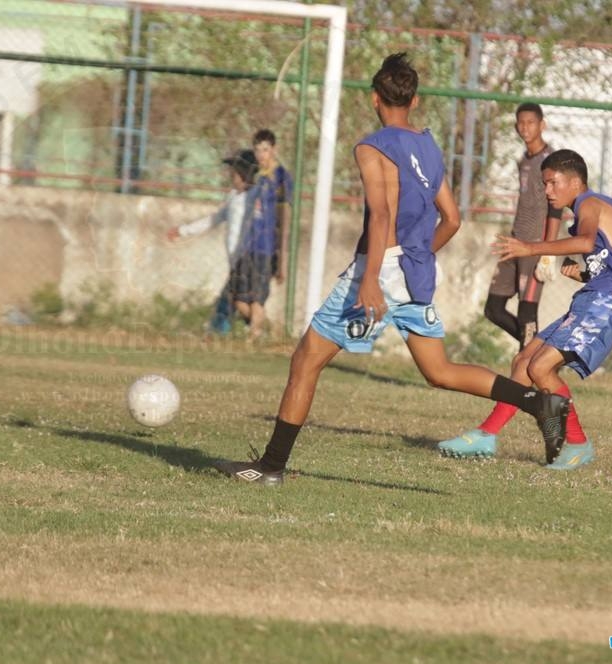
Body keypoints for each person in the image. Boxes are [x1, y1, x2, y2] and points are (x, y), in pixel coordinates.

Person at [214, 53, 569, 485]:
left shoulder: (372, 147)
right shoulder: (428, 145)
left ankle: (270, 467)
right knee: (440, 372)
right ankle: (539, 403)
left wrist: (371, 281)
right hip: (414, 272)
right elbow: (452, 219)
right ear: (414, 101)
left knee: (305, 361)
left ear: (374, 98)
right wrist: (415, 256)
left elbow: (381, 215)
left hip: (379, 269)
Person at [437, 149, 612, 470]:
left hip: (606, 302)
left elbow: (586, 243)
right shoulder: (588, 209)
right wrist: (583, 275)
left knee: (540, 368)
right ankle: (487, 434)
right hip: (593, 296)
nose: (548, 191)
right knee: (523, 361)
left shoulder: (590, 203)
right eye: (544, 184)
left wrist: (532, 248)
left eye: (553, 183)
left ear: (575, 182)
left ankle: (577, 444)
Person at [483, 103, 563, 350]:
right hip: (515, 242)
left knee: (527, 313)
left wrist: (548, 252)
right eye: (521, 123)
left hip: (535, 246)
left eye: (531, 123)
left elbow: (556, 208)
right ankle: (538, 352)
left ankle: (530, 367)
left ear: (542, 125)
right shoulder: (524, 160)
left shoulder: (550, 161)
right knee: (493, 309)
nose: (525, 128)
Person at [167, 149, 259, 335]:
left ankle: (251, 328)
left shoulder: (255, 197)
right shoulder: (234, 197)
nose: (231, 175)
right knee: (234, 300)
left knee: (233, 300)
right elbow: (214, 219)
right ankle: (232, 330)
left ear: (244, 172)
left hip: (248, 259)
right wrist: (183, 230)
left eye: (234, 171)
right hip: (234, 261)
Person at [235, 128, 294, 340]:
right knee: (240, 301)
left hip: (267, 249)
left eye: (265, 150)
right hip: (247, 246)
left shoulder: (281, 177)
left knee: (257, 300)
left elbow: (285, 219)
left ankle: (251, 341)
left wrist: (282, 258)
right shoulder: (254, 176)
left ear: (274, 150)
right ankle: (265, 329)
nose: (261, 155)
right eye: (258, 150)